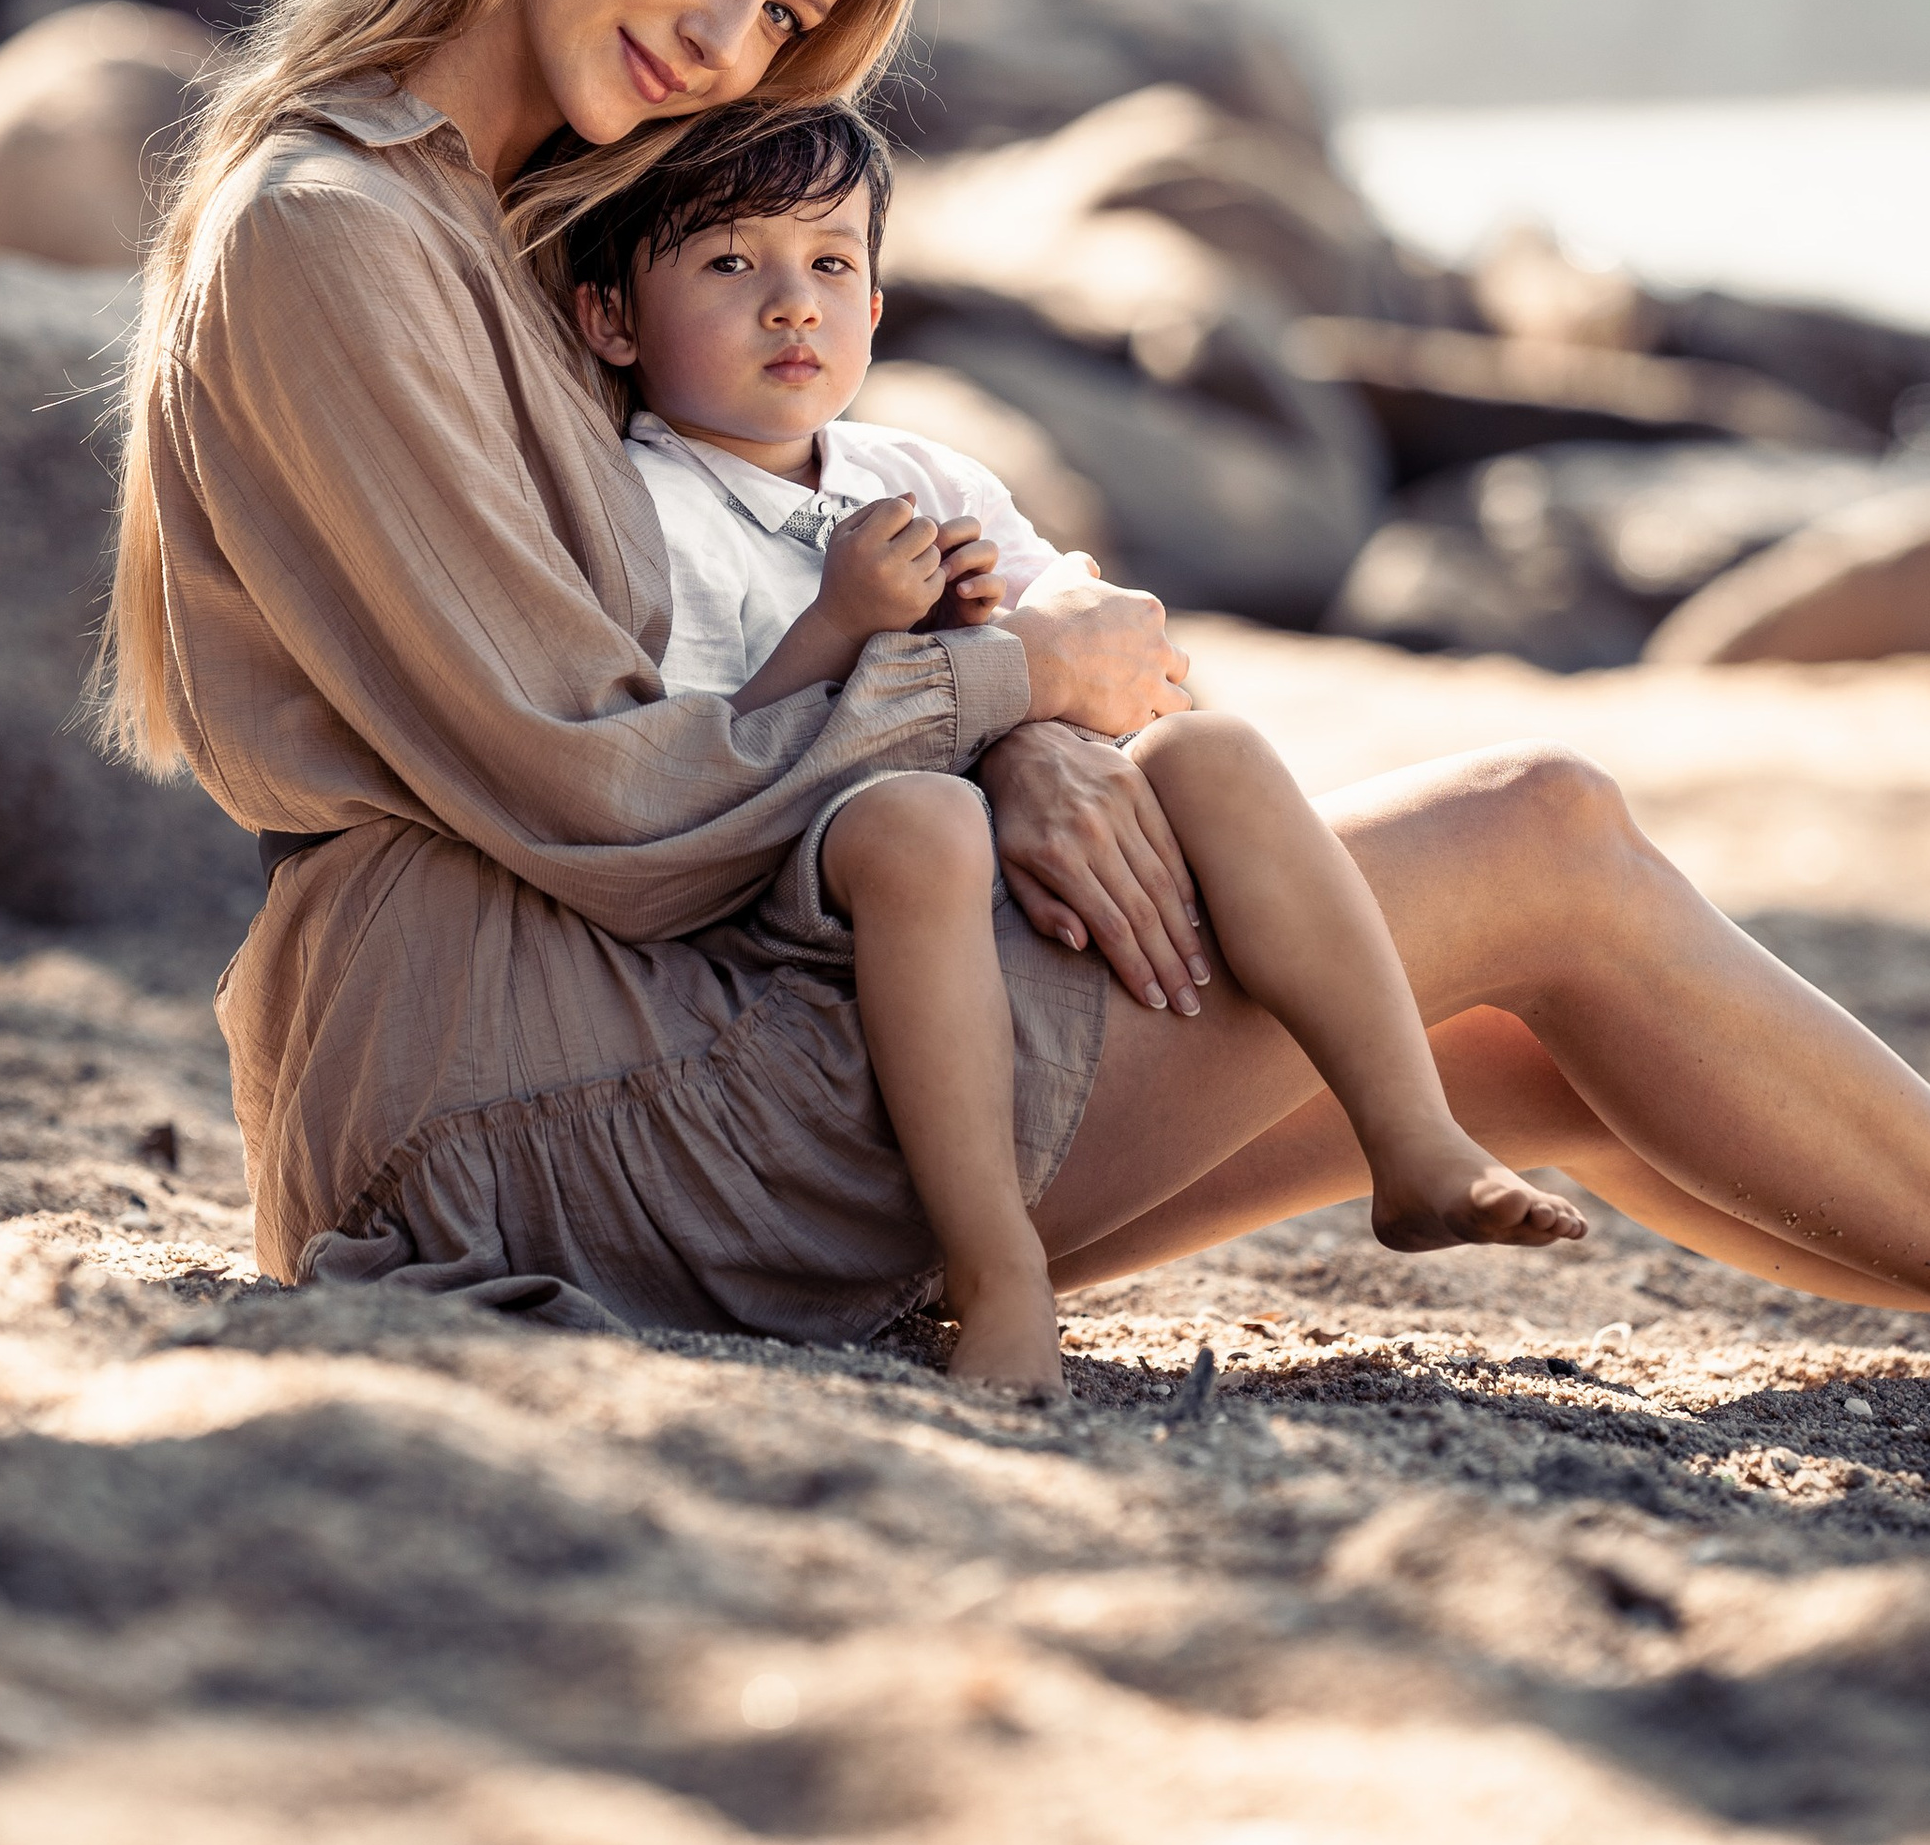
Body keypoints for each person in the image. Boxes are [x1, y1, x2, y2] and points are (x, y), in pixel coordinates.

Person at [103, 0, 1930, 1360]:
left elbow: (735, 651)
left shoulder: (524, 242)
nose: (724, 35)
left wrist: (995, 738)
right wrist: (1000, 692)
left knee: (1536, 1060)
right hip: (540, 1088)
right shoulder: (332, 230)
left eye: (782, 16)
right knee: (1540, 835)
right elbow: (595, 784)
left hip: (636, 1018)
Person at [563, 97, 1583, 1390]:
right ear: (611, 318)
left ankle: (1414, 1135)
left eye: (828, 264)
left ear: (876, 307)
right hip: (806, 917)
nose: (790, 304)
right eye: (728, 265)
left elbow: (1124, 666)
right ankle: (998, 1273)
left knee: (1215, 754)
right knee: (914, 822)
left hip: (1014, 889)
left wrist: (1007, 638)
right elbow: (707, 765)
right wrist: (845, 628)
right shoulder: (645, 511)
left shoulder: (919, 474)